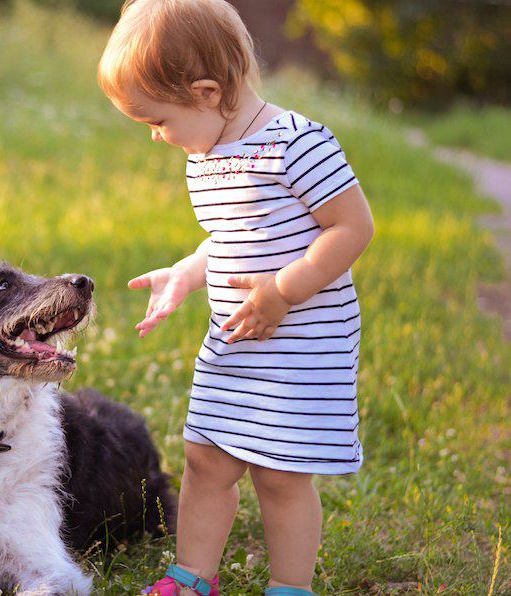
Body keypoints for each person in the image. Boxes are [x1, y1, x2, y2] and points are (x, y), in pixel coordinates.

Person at [97, 1, 375, 594]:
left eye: (157, 120)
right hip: (236, 336)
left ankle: (290, 585)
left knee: (280, 476)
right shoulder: (208, 154)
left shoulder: (296, 143)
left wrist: (282, 290)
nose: (155, 137)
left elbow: (352, 228)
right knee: (205, 459)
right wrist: (188, 271)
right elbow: (231, 237)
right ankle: (193, 576)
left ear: (205, 91)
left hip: (301, 340)